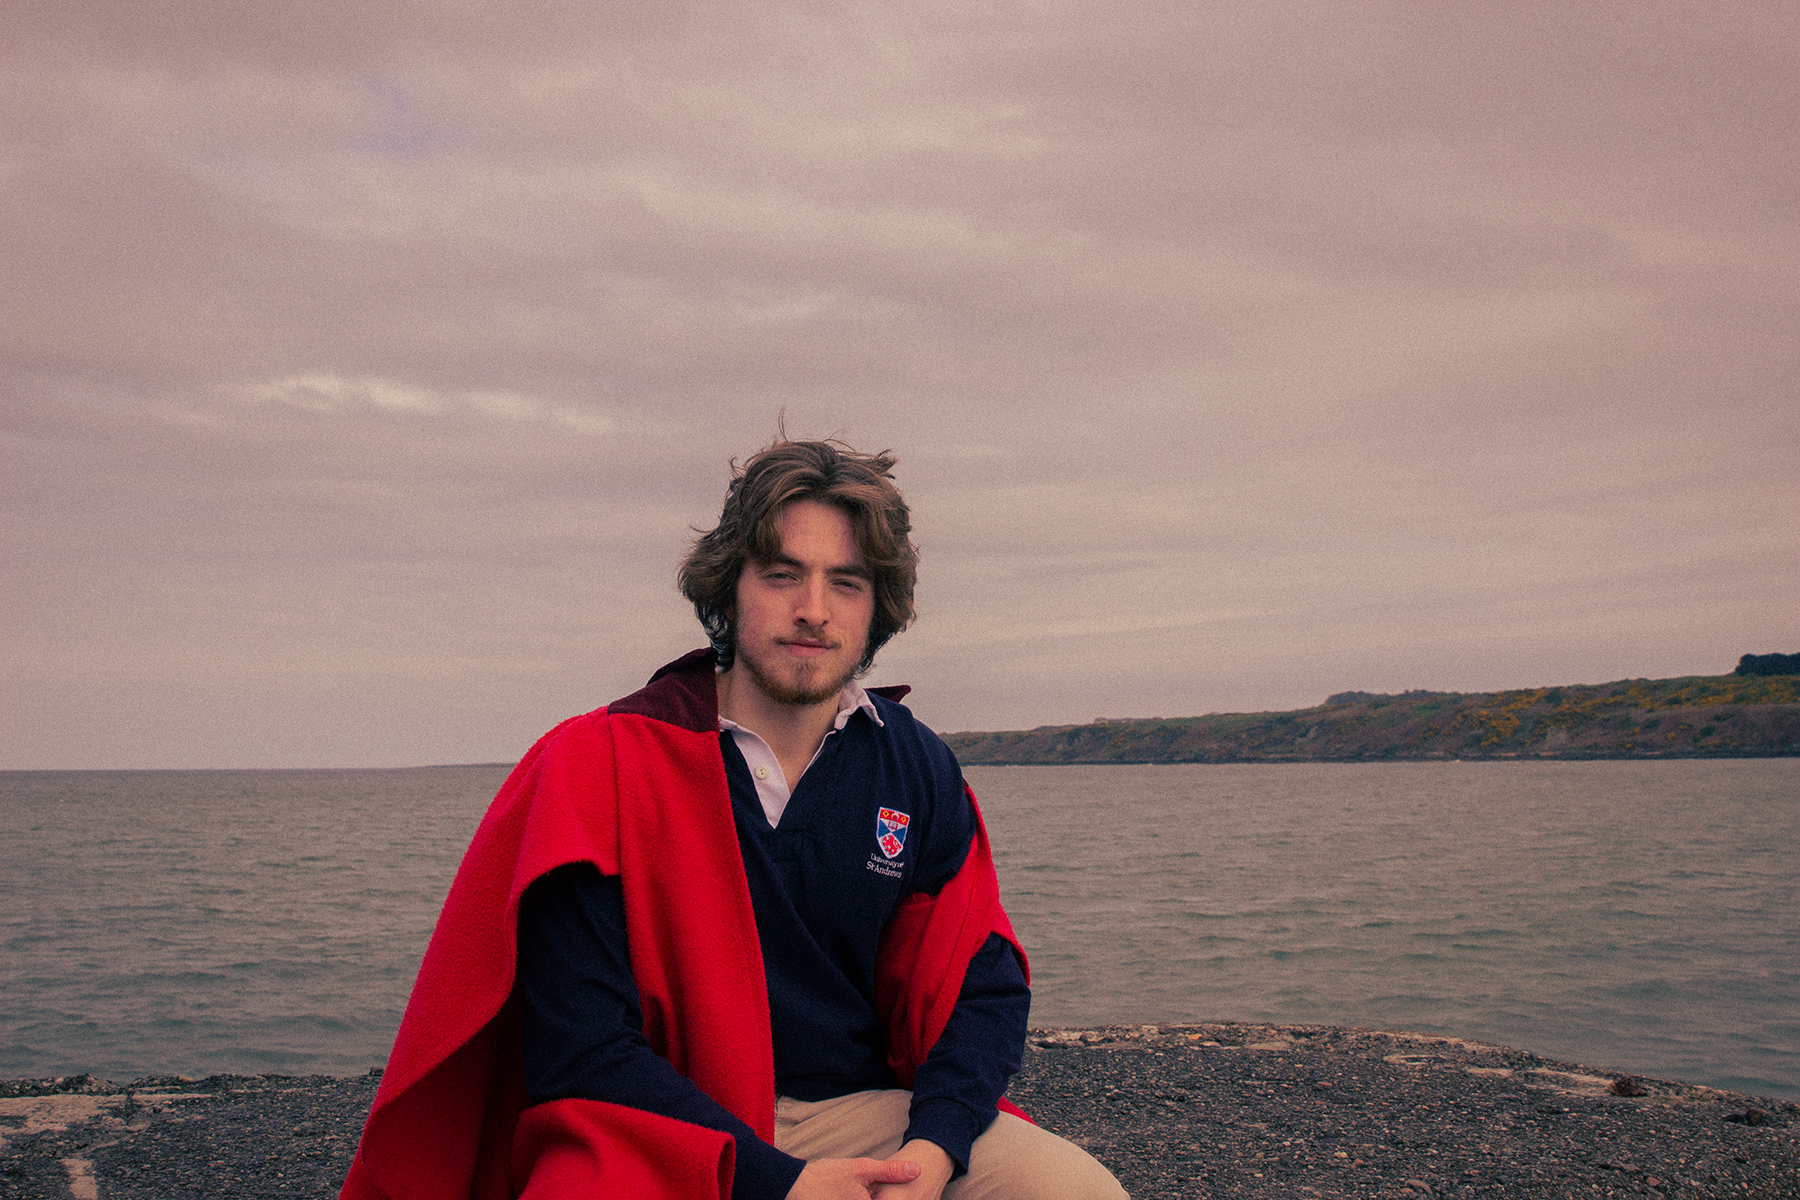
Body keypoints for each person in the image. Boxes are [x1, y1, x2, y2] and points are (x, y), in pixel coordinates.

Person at [341, 437, 1127, 1200]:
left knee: (1074, 1189)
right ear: (729, 586)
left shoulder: (915, 767)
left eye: (846, 583)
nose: (813, 610)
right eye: (783, 574)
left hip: (856, 1117)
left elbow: (979, 990)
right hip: (658, 1124)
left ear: (876, 606)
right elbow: (579, 1046)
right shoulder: (600, 764)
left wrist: (935, 1145)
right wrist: (776, 1182)